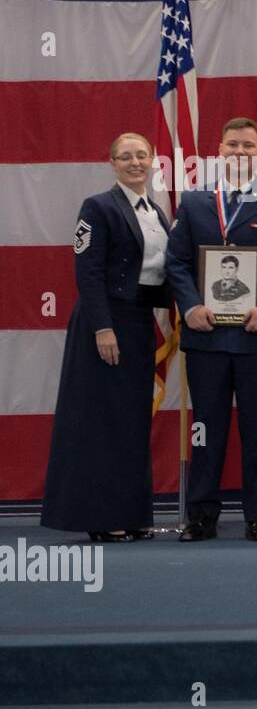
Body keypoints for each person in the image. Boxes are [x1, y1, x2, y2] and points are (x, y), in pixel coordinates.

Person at [165, 117, 257, 541]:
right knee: (205, 430)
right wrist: (189, 306)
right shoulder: (194, 203)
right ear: (218, 151)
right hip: (206, 337)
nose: (240, 152)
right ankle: (201, 515)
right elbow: (177, 263)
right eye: (232, 145)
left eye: (248, 146)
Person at [42, 133, 172, 542]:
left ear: (153, 160)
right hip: (104, 325)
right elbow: (89, 271)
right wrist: (102, 327)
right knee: (101, 423)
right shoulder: (98, 207)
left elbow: (159, 274)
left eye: (141, 155)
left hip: (138, 323)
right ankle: (101, 517)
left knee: (131, 422)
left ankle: (132, 514)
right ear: (112, 163)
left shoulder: (156, 212)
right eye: (125, 157)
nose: (135, 163)